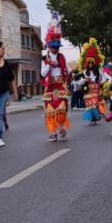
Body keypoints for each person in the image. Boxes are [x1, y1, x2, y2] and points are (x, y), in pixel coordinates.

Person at [41, 13, 70, 141]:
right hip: (50, 86)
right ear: (49, 45)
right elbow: (42, 74)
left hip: (60, 85)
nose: (55, 49)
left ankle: (62, 126)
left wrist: (68, 71)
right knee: (50, 110)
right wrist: (49, 65)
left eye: (57, 46)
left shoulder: (62, 57)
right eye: (53, 46)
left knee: (62, 108)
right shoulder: (45, 58)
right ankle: (53, 132)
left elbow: (67, 70)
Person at [80, 38, 106, 125]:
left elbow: (104, 77)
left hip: (95, 89)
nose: (90, 64)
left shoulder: (98, 70)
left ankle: (96, 116)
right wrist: (84, 80)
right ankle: (92, 118)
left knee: (94, 103)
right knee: (89, 104)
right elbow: (79, 82)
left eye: (91, 62)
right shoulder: (84, 72)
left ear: (94, 63)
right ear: (87, 63)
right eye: (89, 63)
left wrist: (101, 82)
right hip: (87, 89)